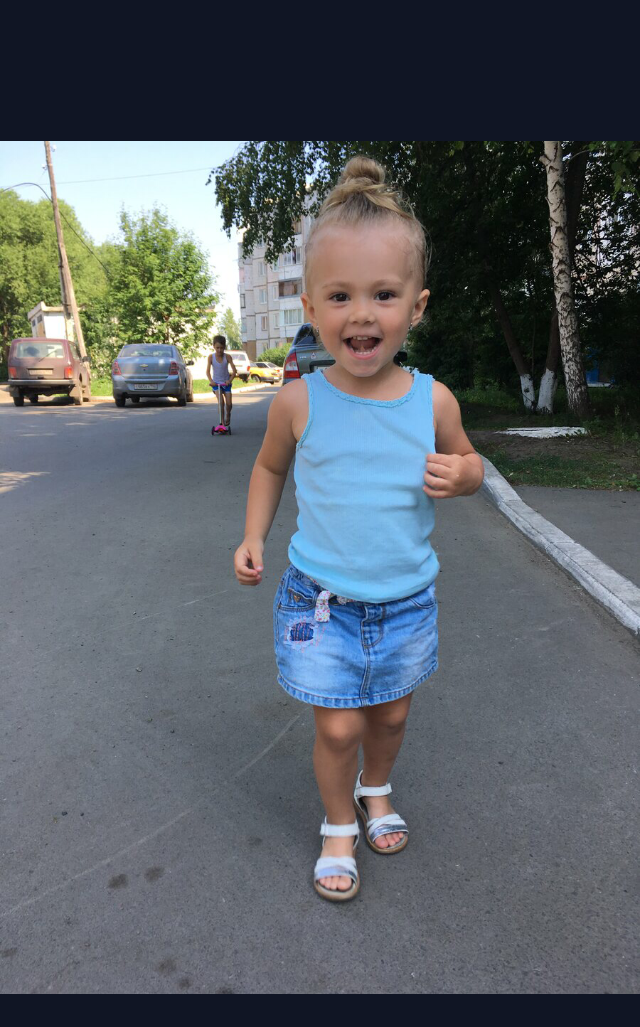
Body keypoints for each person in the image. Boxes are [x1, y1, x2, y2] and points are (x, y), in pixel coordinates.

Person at [233, 157, 485, 902]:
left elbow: (471, 461)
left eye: (383, 294)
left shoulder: (432, 401)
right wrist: (254, 536)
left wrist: (464, 475)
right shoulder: (298, 402)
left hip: (406, 602)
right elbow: (269, 469)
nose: (362, 315)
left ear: (417, 305)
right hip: (322, 603)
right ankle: (338, 823)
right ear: (311, 305)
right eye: (340, 296)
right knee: (338, 727)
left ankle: (378, 789)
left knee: (392, 716)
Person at [207, 336, 237, 430]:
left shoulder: (227, 357)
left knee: (229, 404)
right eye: (217, 348)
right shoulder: (211, 357)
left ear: (224, 347)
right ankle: (222, 423)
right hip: (216, 384)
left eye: (221, 348)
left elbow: (234, 372)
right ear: (213, 346)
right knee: (221, 402)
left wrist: (229, 380)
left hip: (226, 384)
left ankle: (228, 414)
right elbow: (207, 372)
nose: (219, 350)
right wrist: (211, 381)